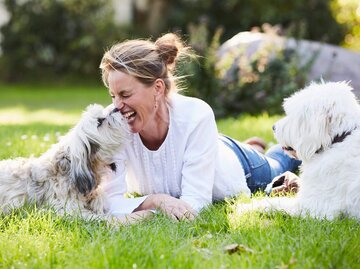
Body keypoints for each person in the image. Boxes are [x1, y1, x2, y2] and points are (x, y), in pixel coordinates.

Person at [99, 33, 301, 221]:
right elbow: (110, 203)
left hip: (239, 166)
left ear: (158, 88)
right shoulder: (113, 123)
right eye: (113, 96)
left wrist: (142, 209)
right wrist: (155, 200)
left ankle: (265, 150)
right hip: (206, 147)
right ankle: (252, 146)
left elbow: (194, 204)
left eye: (125, 95)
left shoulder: (195, 114)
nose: (116, 106)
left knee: (279, 164)